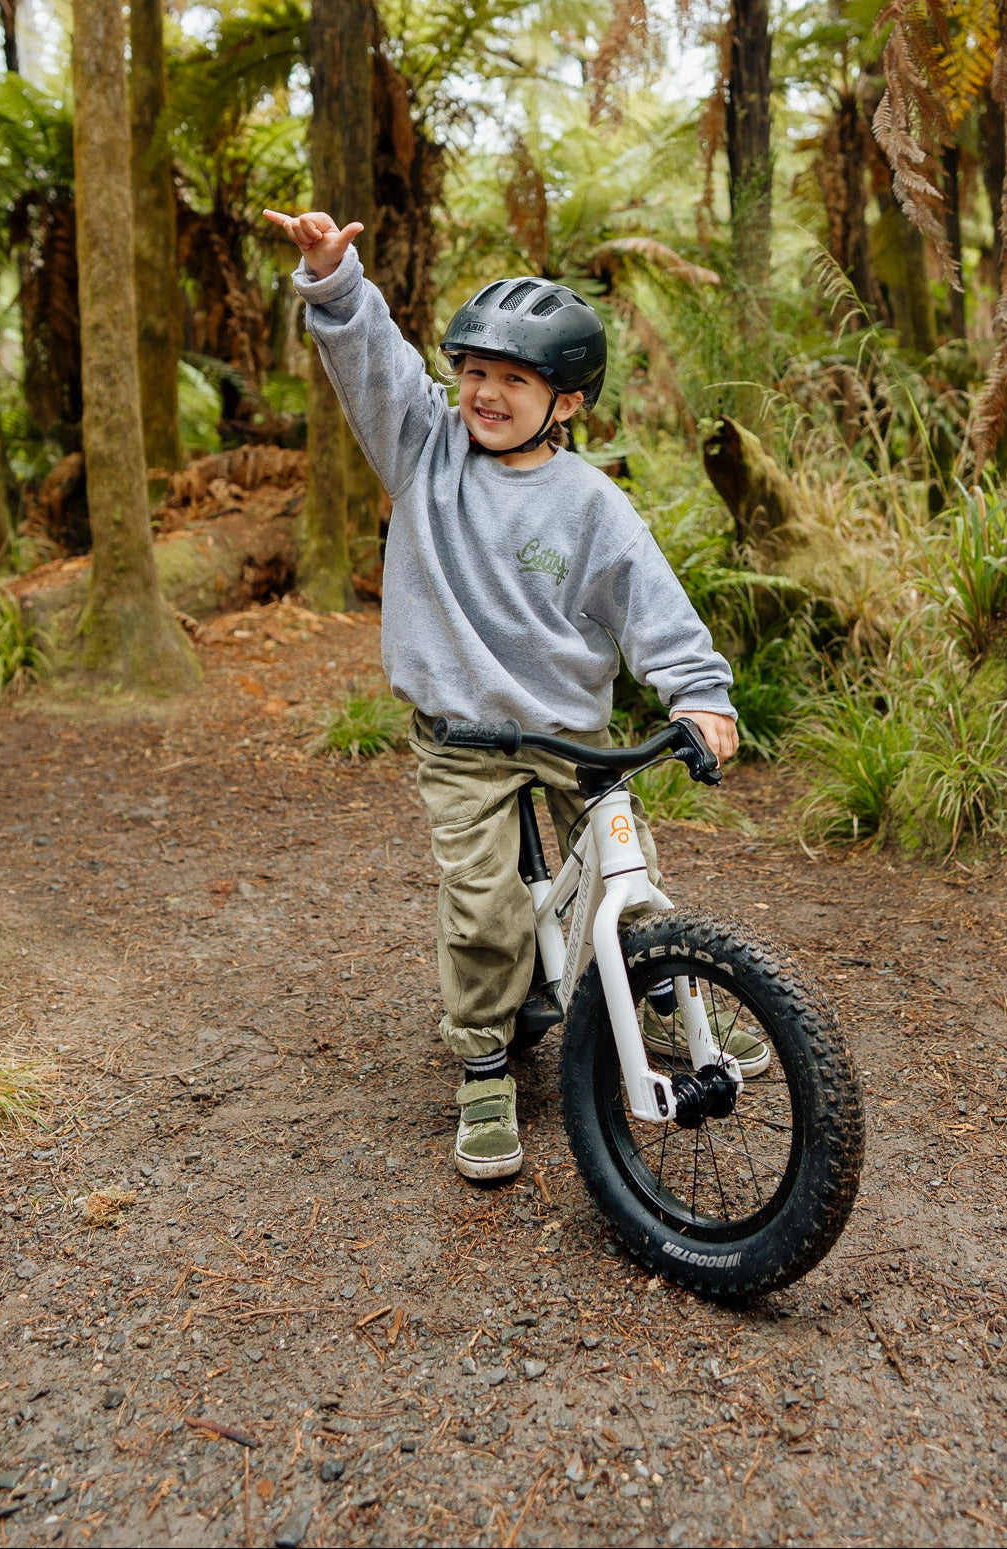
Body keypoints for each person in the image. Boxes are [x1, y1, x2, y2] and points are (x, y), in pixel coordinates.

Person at [263, 208, 764, 1183]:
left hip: (571, 733)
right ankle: (486, 1062)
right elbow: (371, 362)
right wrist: (334, 279)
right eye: (474, 371)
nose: (485, 393)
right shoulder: (424, 448)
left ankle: (664, 1000)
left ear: (565, 401)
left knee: (626, 878)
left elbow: (652, 608)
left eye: (514, 379)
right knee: (484, 910)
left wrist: (700, 695)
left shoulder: (592, 504)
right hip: (462, 738)